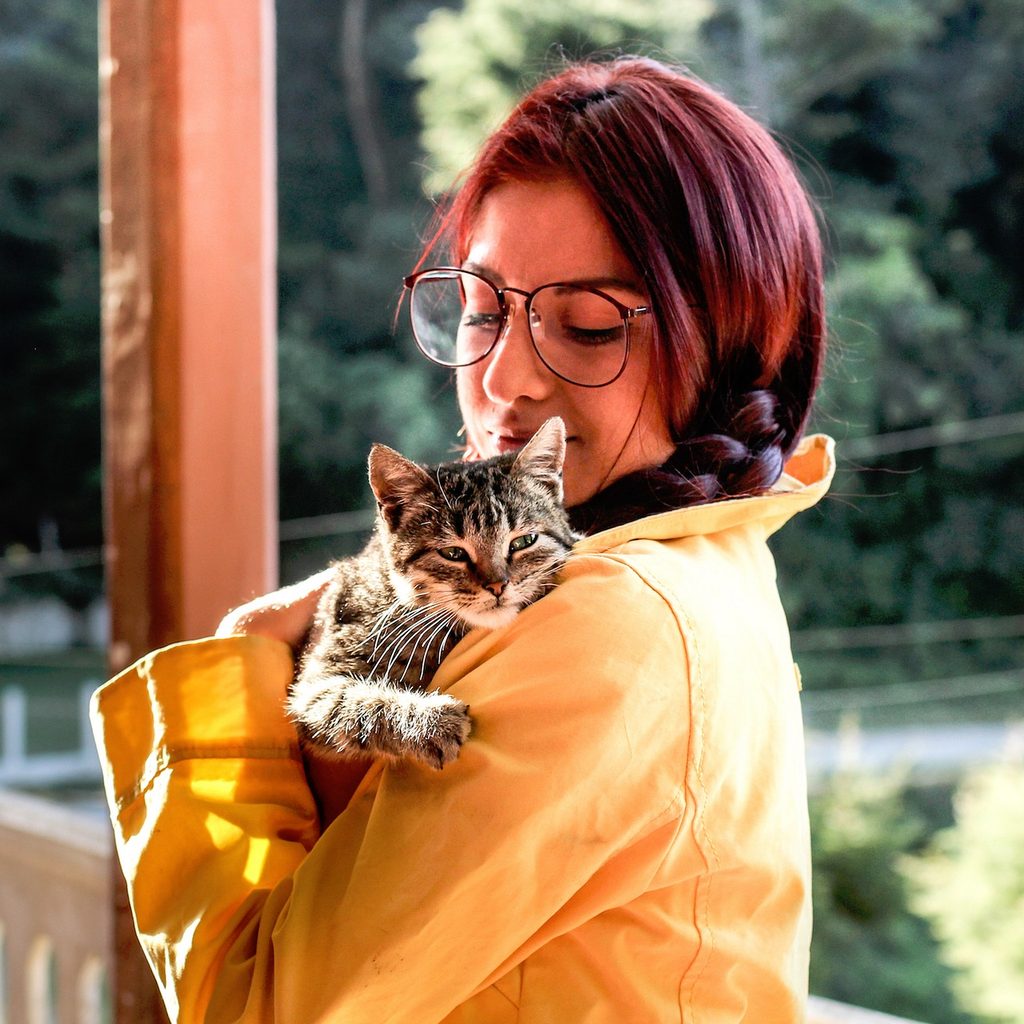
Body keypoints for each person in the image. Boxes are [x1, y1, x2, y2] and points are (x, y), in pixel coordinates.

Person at [91, 55, 835, 1023]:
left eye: (587, 326)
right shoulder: (710, 555)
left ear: (727, 341)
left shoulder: (608, 620)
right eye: (482, 311)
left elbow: (258, 1006)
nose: (503, 381)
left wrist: (239, 663)